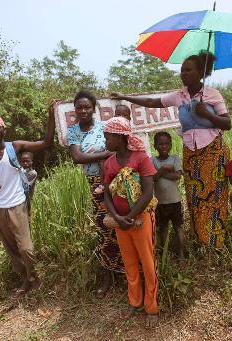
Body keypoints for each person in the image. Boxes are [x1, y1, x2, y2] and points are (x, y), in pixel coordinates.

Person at [111, 51, 232, 249]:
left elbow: (227, 124)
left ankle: (215, 243)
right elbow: (152, 103)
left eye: (188, 70)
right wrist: (124, 97)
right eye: (182, 70)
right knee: (195, 197)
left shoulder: (212, 95)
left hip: (213, 151)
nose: (183, 74)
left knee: (214, 197)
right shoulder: (179, 96)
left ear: (200, 72)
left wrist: (207, 114)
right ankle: (202, 240)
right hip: (191, 153)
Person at [0, 108, 55, 297]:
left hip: (17, 205)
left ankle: (35, 275)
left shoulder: (14, 147)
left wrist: (51, 116)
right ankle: (26, 279)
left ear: (3, 130)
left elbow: (46, 143)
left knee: (25, 247)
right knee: (11, 248)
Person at [102, 117, 159, 327]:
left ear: (119, 137)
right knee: (130, 263)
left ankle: (151, 307)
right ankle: (134, 302)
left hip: (140, 220)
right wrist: (118, 218)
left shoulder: (141, 158)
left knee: (148, 263)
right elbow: (107, 194)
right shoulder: (109, 163)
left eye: (107, 136)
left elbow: (147, 192)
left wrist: (131, 216)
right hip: (121, 223)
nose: (105, 140)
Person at [67, 90, 123, 297]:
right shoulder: (73, 132)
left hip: (115, 179)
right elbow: (78, 157)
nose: (83, 110)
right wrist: (106, 154)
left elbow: (118, 150)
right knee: (104, 224)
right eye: (79, 107)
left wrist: (105, 156)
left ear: (94, 109)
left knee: (123, 221)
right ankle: (108, 273)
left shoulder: (105, 126)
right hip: (95, 182)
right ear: (75, 110)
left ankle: (126, 271)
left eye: (87, 107)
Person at [151, 132, 184, 258]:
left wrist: (160, 172)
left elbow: (177, 176)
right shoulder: (152, 160)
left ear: (170, 145)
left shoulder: (175, 158)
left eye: (166, 144)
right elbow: (153, 178)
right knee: (163, 229)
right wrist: (163, 169)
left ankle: (181, 254)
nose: (163, 147)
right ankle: (166, 255)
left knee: (178, 228)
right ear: (155, 146)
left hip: (175, 201)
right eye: (160, 144)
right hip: (160, 202)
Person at [19, 151, 38, 216]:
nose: (25, 163)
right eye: (22, 161)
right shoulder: (19, 171)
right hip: (18, 199)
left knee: (26, 216)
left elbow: (24, 185)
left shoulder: (33, 173)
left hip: (27, 199)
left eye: (27, 161)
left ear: (32, 161)